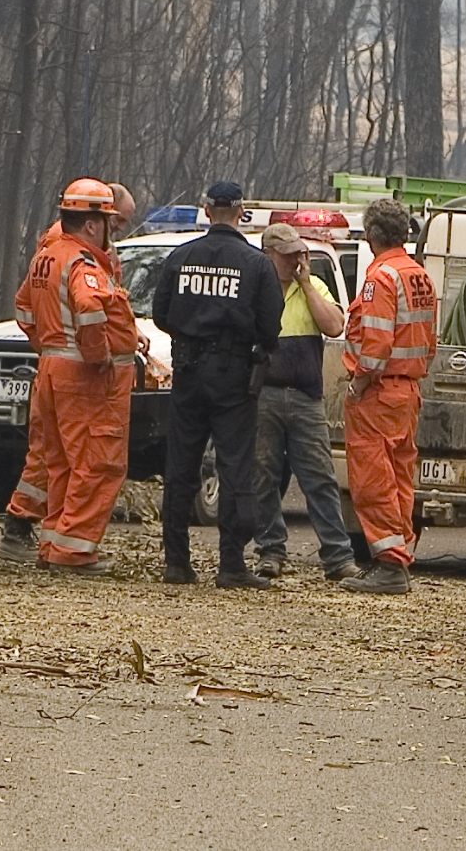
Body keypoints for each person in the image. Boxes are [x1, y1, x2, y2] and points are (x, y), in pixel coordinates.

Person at [0, 182, 142, 562]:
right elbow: (89, 307)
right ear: (94, 224)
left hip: (52, 367)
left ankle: (51, 542)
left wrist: (52, 346)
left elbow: (25, 309)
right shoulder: (81, 260)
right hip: (81, 375)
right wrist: (98, 356)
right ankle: (70, 550)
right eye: (114, 223)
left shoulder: (49, 254)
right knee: (97, 461)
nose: (116, 231)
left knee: (56, 458)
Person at [153, 181, 284, 589]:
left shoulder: (180, 257)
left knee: (181, 466)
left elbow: (161, 314)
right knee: (234, 467)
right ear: (241, 211)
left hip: (188, 370)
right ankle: (231, 565)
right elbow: (270, 327)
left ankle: (177, 563)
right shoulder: (256, 264)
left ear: (207, 210)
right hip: (233, 375)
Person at [251, 223, 360, 582]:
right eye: (287, 255)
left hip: (305, 397)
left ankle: (338, 556)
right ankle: (270, 550)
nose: (295, 259)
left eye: (299, 253)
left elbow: (333, 326)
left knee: (320, 479)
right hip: (264, 394)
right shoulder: (255, 289)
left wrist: (306, 284)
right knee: (263, 475)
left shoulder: (314, 288)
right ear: (269, 255)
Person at [340, 199, 437, 595]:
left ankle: (389, 566)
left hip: (378, 394)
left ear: (371, 235)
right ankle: (398, 557)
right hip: (407, 390)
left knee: (372, 480)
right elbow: (427, 341)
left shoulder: (380, 277)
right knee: (399, 478)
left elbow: (375, 344)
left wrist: (359, 384)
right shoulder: (419, 276)